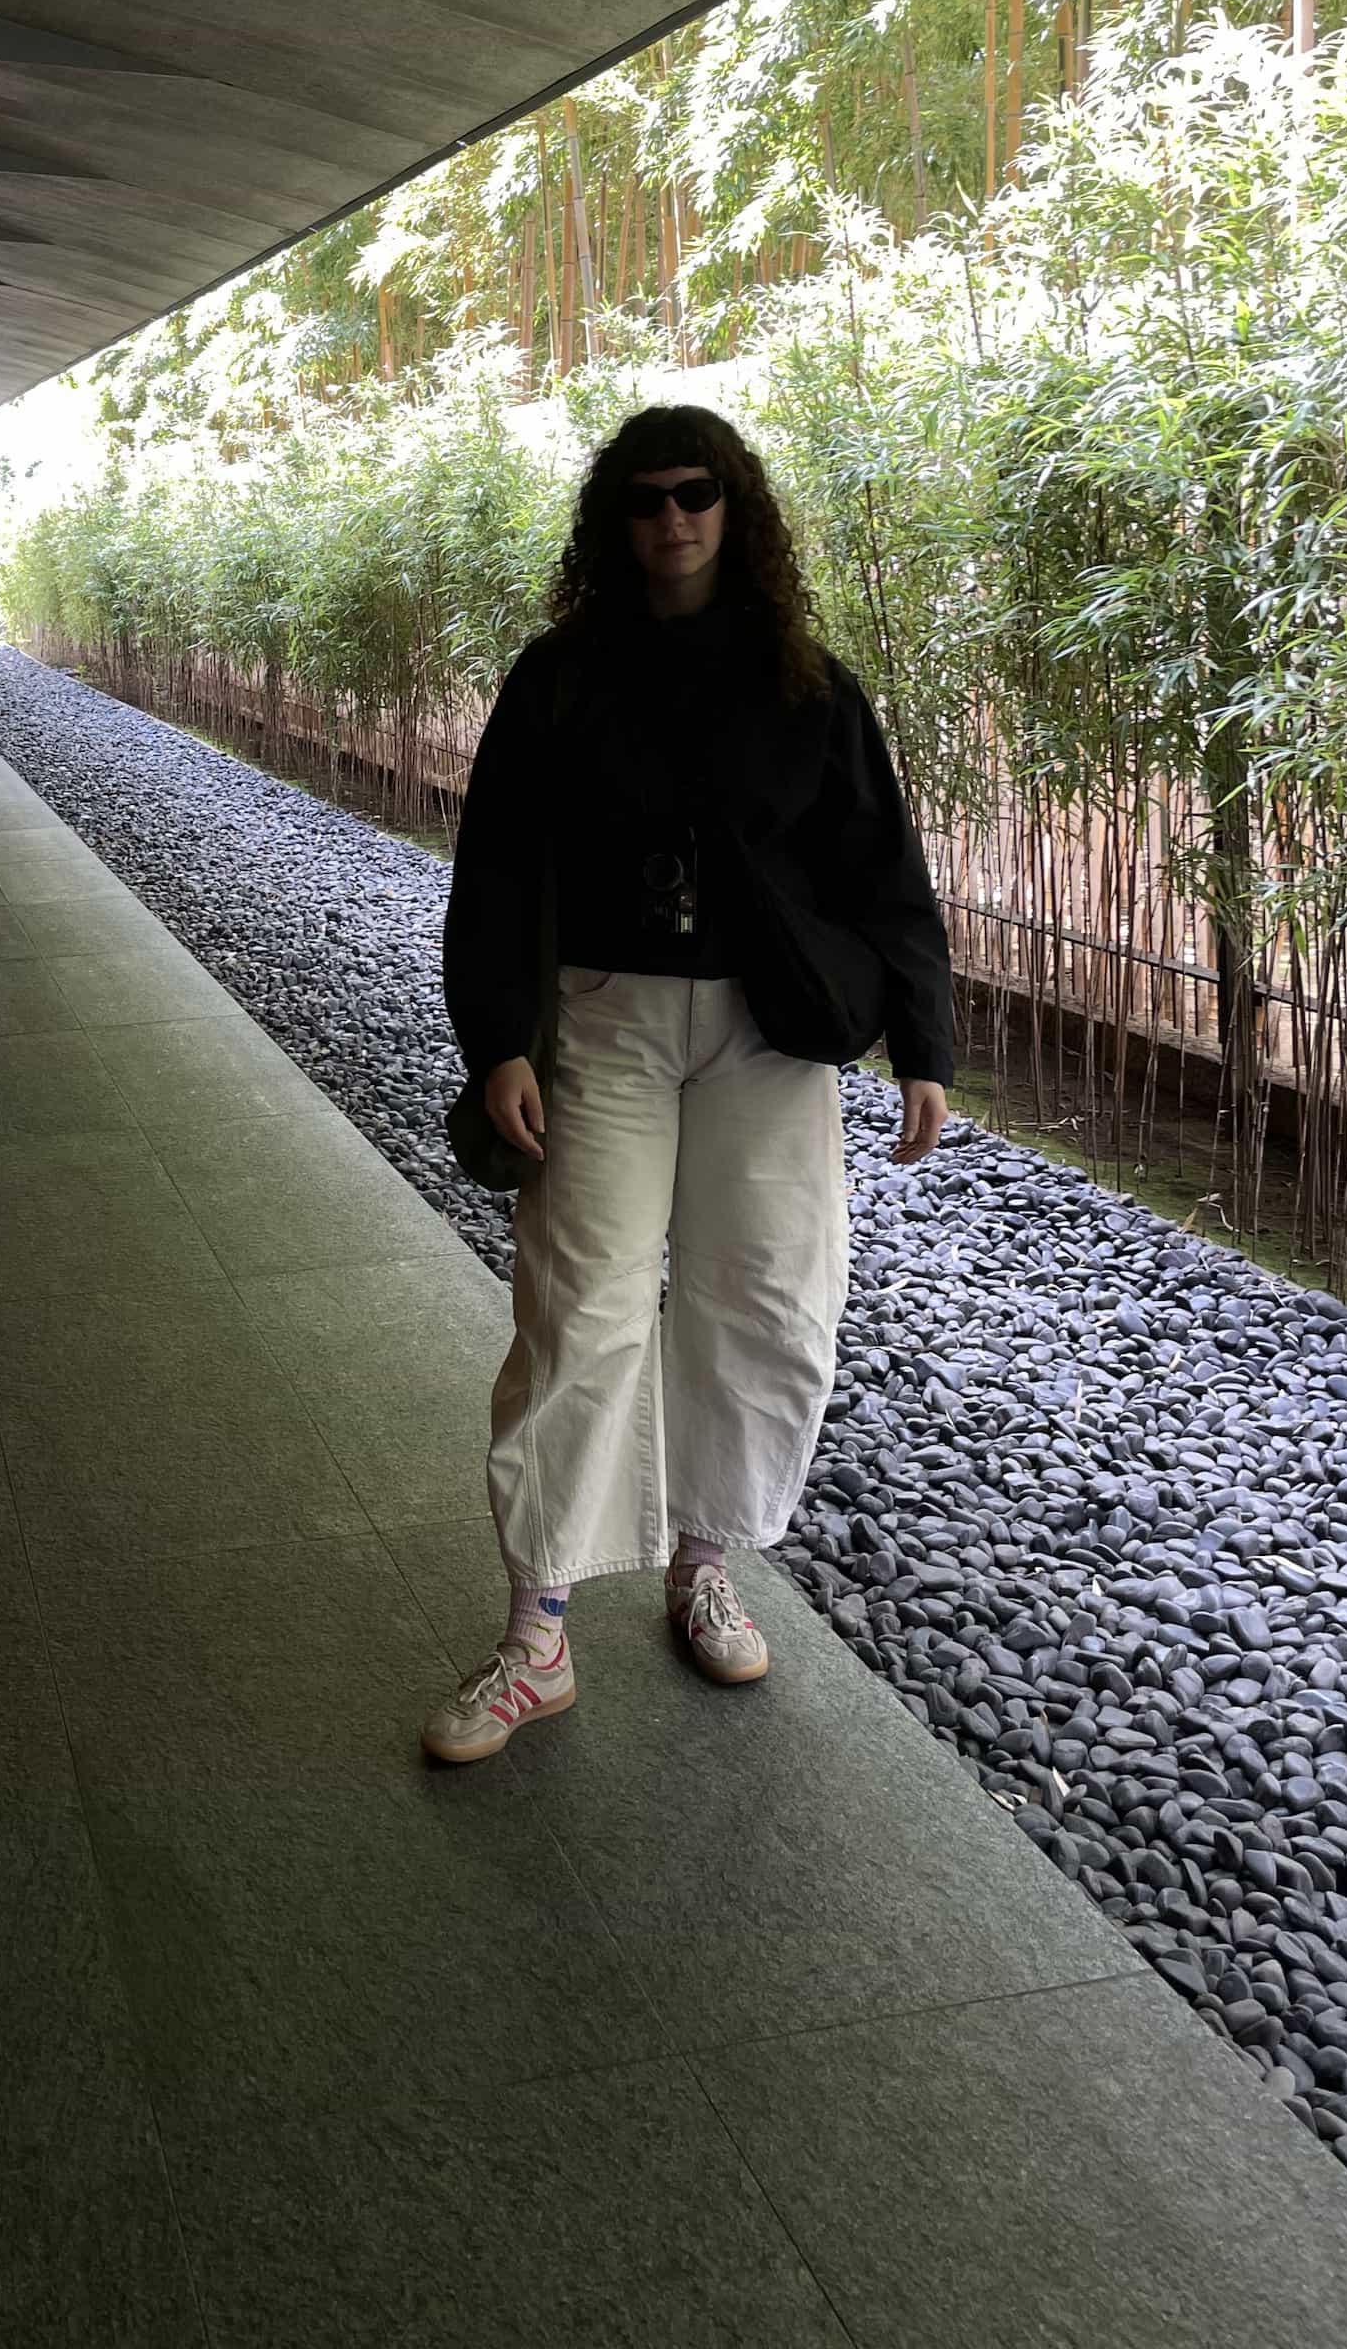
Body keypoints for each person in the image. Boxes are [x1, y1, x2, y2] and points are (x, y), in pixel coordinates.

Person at [424, 405, 952, 1765]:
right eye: (647, 497)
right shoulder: (560, 677)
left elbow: (881, 867)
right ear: (616, 521)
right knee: (580, 1306)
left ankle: (702, 1562)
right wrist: (500, 1039)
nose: (673, 517)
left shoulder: (807, 685)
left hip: (767, 1031)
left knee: (764, 1299)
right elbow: (496, 865)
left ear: (735, 509)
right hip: (605, 1018)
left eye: (698, 493)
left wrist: (924, 1045)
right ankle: (538, 1631)